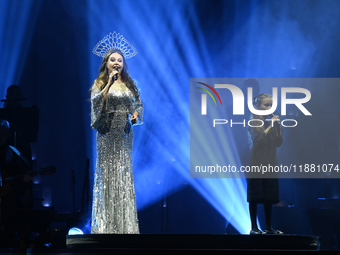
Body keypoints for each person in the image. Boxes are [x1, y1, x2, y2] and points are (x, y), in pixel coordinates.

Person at [90, 45, 143, 234]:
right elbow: (96, 102)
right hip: (106, 131)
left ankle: (124, 227)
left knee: (123, 175)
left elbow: (138, 103)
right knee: (107, 176)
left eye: (119, 60)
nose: (116, 63)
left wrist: (136, 114)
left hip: (124, 132)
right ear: (106, 63)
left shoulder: (130, 84)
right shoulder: (99, 83)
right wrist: (109, 85)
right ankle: (106, 227)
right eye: (113, 60)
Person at [247, 93, 283, 235]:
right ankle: (254, 227)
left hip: (270, 162)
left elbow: (278, 143)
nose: (269, 108)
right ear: (257, 106)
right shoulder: (253, 121)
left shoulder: (270, 122)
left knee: (269, 195)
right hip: (257, 162)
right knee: (255, 195)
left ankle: (268, 227)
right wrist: (270, 127)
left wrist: (278, 127)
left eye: (270, 105)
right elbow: (259, 139)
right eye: (266, 105)